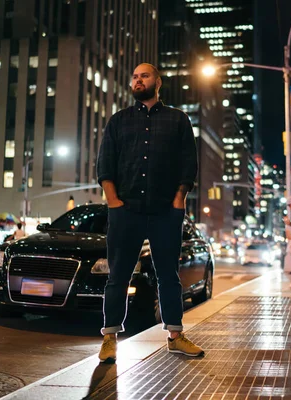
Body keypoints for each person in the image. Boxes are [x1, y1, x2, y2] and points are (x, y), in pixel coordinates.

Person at [96, 63, 203, 363]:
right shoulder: (118, 122)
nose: (138, 80)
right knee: (117, 276)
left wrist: (179, 199)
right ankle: (109, 339)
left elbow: (188, 164)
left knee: (168, 275)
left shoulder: (178, 119)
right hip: (125, 210)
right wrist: (114, 202)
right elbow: (105, 165)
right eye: (134, 76)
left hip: (165, 212)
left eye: (144, 75)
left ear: (158, 81)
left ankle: (176, 336)